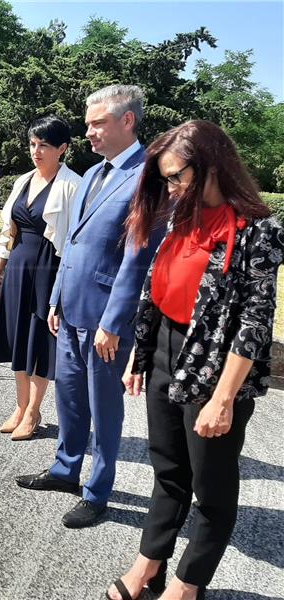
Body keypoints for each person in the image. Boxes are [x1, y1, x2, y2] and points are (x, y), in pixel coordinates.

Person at [106, 120, 283, 600]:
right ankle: (148, 566)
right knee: (167, 472)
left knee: (213, 490)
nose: (172, 187)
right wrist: (140, 356)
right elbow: (156, 289)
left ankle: (187, 586)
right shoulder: (183, 218)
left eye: (178, 176)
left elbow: (254, 322)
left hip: (214, 369)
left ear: (211, 166)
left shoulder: (258, 232)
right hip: (166, 349)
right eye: (166, 178)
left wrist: (223, 400)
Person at [16, 85, 164, 528]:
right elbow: (72, 244)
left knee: (104, 407)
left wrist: (114, 322)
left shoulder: (146, 179)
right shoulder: (92, 174)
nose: (89, 132)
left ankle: (97, 492)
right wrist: (57, 297)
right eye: (87, 124)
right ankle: (65, 470)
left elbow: (138, 259)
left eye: (97, 123)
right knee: (70, 398)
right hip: (71, 308)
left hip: (106, 321)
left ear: (127, 121)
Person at [0, 116, 81, 440]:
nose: (36, 151)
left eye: (44, 145)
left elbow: (74, 241)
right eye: (32, 144)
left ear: (62, 149)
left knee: (38, 339)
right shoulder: (22, 181)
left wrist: (64, 291)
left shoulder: (73, 186)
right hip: (18, 266)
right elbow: (7, 230)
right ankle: (20, 404)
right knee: (17, 336)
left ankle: (33, 411)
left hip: (48, 269)